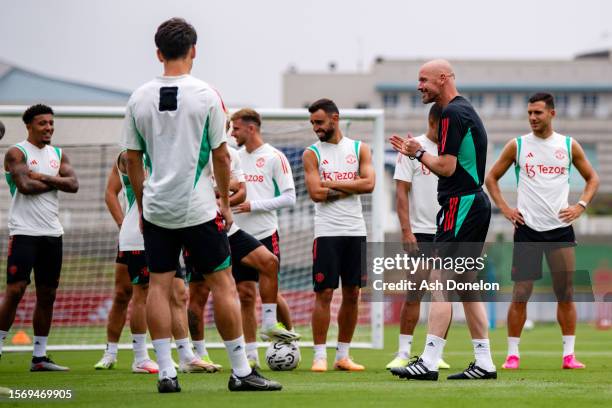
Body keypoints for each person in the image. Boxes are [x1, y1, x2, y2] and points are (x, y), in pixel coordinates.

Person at [123, 17, 280, 393]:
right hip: (197, 208)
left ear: (158, 53)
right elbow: (222, 157)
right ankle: (241, 372)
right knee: (223, 285)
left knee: (159, 287)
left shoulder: (138, 97)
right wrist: (225, 203)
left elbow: (131, 160)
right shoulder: (207, 95)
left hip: (158, 208)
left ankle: (165, 372)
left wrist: (143, 208)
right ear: (194, 50)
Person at [390, 59, 496, 380]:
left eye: (424, 80)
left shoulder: (451, 113)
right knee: (466, 287)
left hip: (460, 204)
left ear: (443, 78)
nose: (419, 86)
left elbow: (448, 167)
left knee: (439, 281)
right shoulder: (465, 110)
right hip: (473, 203)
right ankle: (485, 363)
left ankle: (429, 361)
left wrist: (417, 153)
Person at [485, 92, 599, 370]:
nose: (533, 118)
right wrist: (505, 209)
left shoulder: (569, 146)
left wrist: (581, 205)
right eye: (530, 114)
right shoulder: (518, 145)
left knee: (566, 292)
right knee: (521, 293)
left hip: (560, 230)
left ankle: (569, 355)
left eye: (538, 113)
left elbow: (592, 178)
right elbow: (491, 178)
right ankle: (512, 354)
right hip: (528, 231)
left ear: (552, 113)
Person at [187, 144, 298, 369]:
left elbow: (240, 189)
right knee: (200, 293)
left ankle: (269, 325)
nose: (229, 132)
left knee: (269, 263)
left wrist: (220, 194)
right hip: (199, 227)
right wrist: (219, 191)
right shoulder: (191, 151)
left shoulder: (231, 154)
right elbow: (218, 188)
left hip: (230, 227)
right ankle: (196, 355)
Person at [0, 104, 78, 370]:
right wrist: (56, 181)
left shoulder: (58, 154)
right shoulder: (16, 152)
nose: (48, 128)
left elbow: (74, 185)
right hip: (24, 233)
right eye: (43, 123)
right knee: (15, 291)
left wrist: (43, 176)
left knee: (47, 295)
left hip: (52, 235)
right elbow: (25, 186)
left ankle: (40, 357)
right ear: (30, 126)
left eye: (51, 123)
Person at [303, 98, 375, 372]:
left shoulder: (359, 149)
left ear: (335, 118)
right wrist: (351, 186)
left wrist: (331, 182)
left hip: (355, 230)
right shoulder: (312, 153)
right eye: (312, 123)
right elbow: (315, 194)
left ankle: (342, 355)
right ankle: (319, 356)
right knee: (324, 293)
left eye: (319, 122)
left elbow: (369, 184)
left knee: (353, 293)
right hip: (327, 232)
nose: (316, 128)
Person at [230, 108, 301, 365]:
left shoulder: (274, 157)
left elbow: (289, 197)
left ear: (251, 128)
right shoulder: (233, 157)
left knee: (272, 294)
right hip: (237, 235)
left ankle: (289, 342)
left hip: (264, 234)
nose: (231, 133)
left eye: (235, 128)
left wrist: (254, 205)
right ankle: (251, 357)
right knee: (245, 294)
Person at [386, 104, 450, 371]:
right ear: (433, 122)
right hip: (421, 231)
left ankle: (435, 353)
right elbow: (401, 192)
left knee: (442, 294)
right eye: (444, 126)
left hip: (447, 232)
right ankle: (403, 352)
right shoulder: (412, 148)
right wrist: (406, 230)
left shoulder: (452, 150)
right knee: (415, 292)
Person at [94, 150, 158, 373]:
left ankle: (162, 353)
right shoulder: (128, 156)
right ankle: (119, 354)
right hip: (137, 236)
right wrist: (123, 223)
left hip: (156, 234)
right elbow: (110, 193)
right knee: (128, 294)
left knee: (158, 293)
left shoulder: (166, 150)